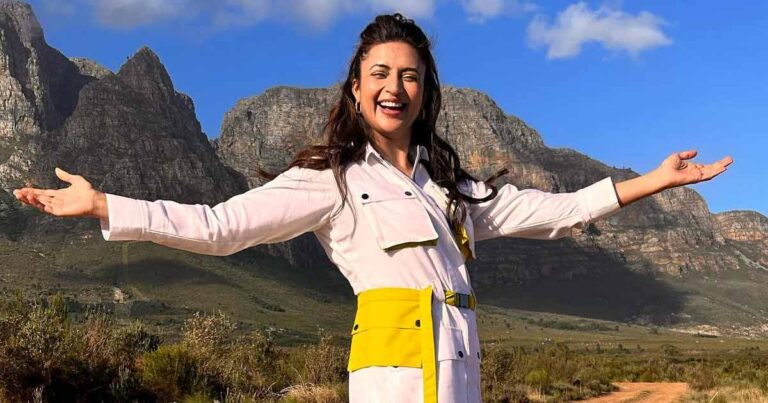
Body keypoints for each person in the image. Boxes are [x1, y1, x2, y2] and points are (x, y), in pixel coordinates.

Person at [13, 13, 732, 403]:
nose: (395, 87)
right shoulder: (330, 177)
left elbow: (553, 210)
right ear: (356, 88)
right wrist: (105, 204)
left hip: (460, 372)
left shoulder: (448, 187)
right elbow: (219, 227)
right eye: (381, 73)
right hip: (392, 378)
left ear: (425, 93)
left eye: (410, 76)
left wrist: (651, 180)